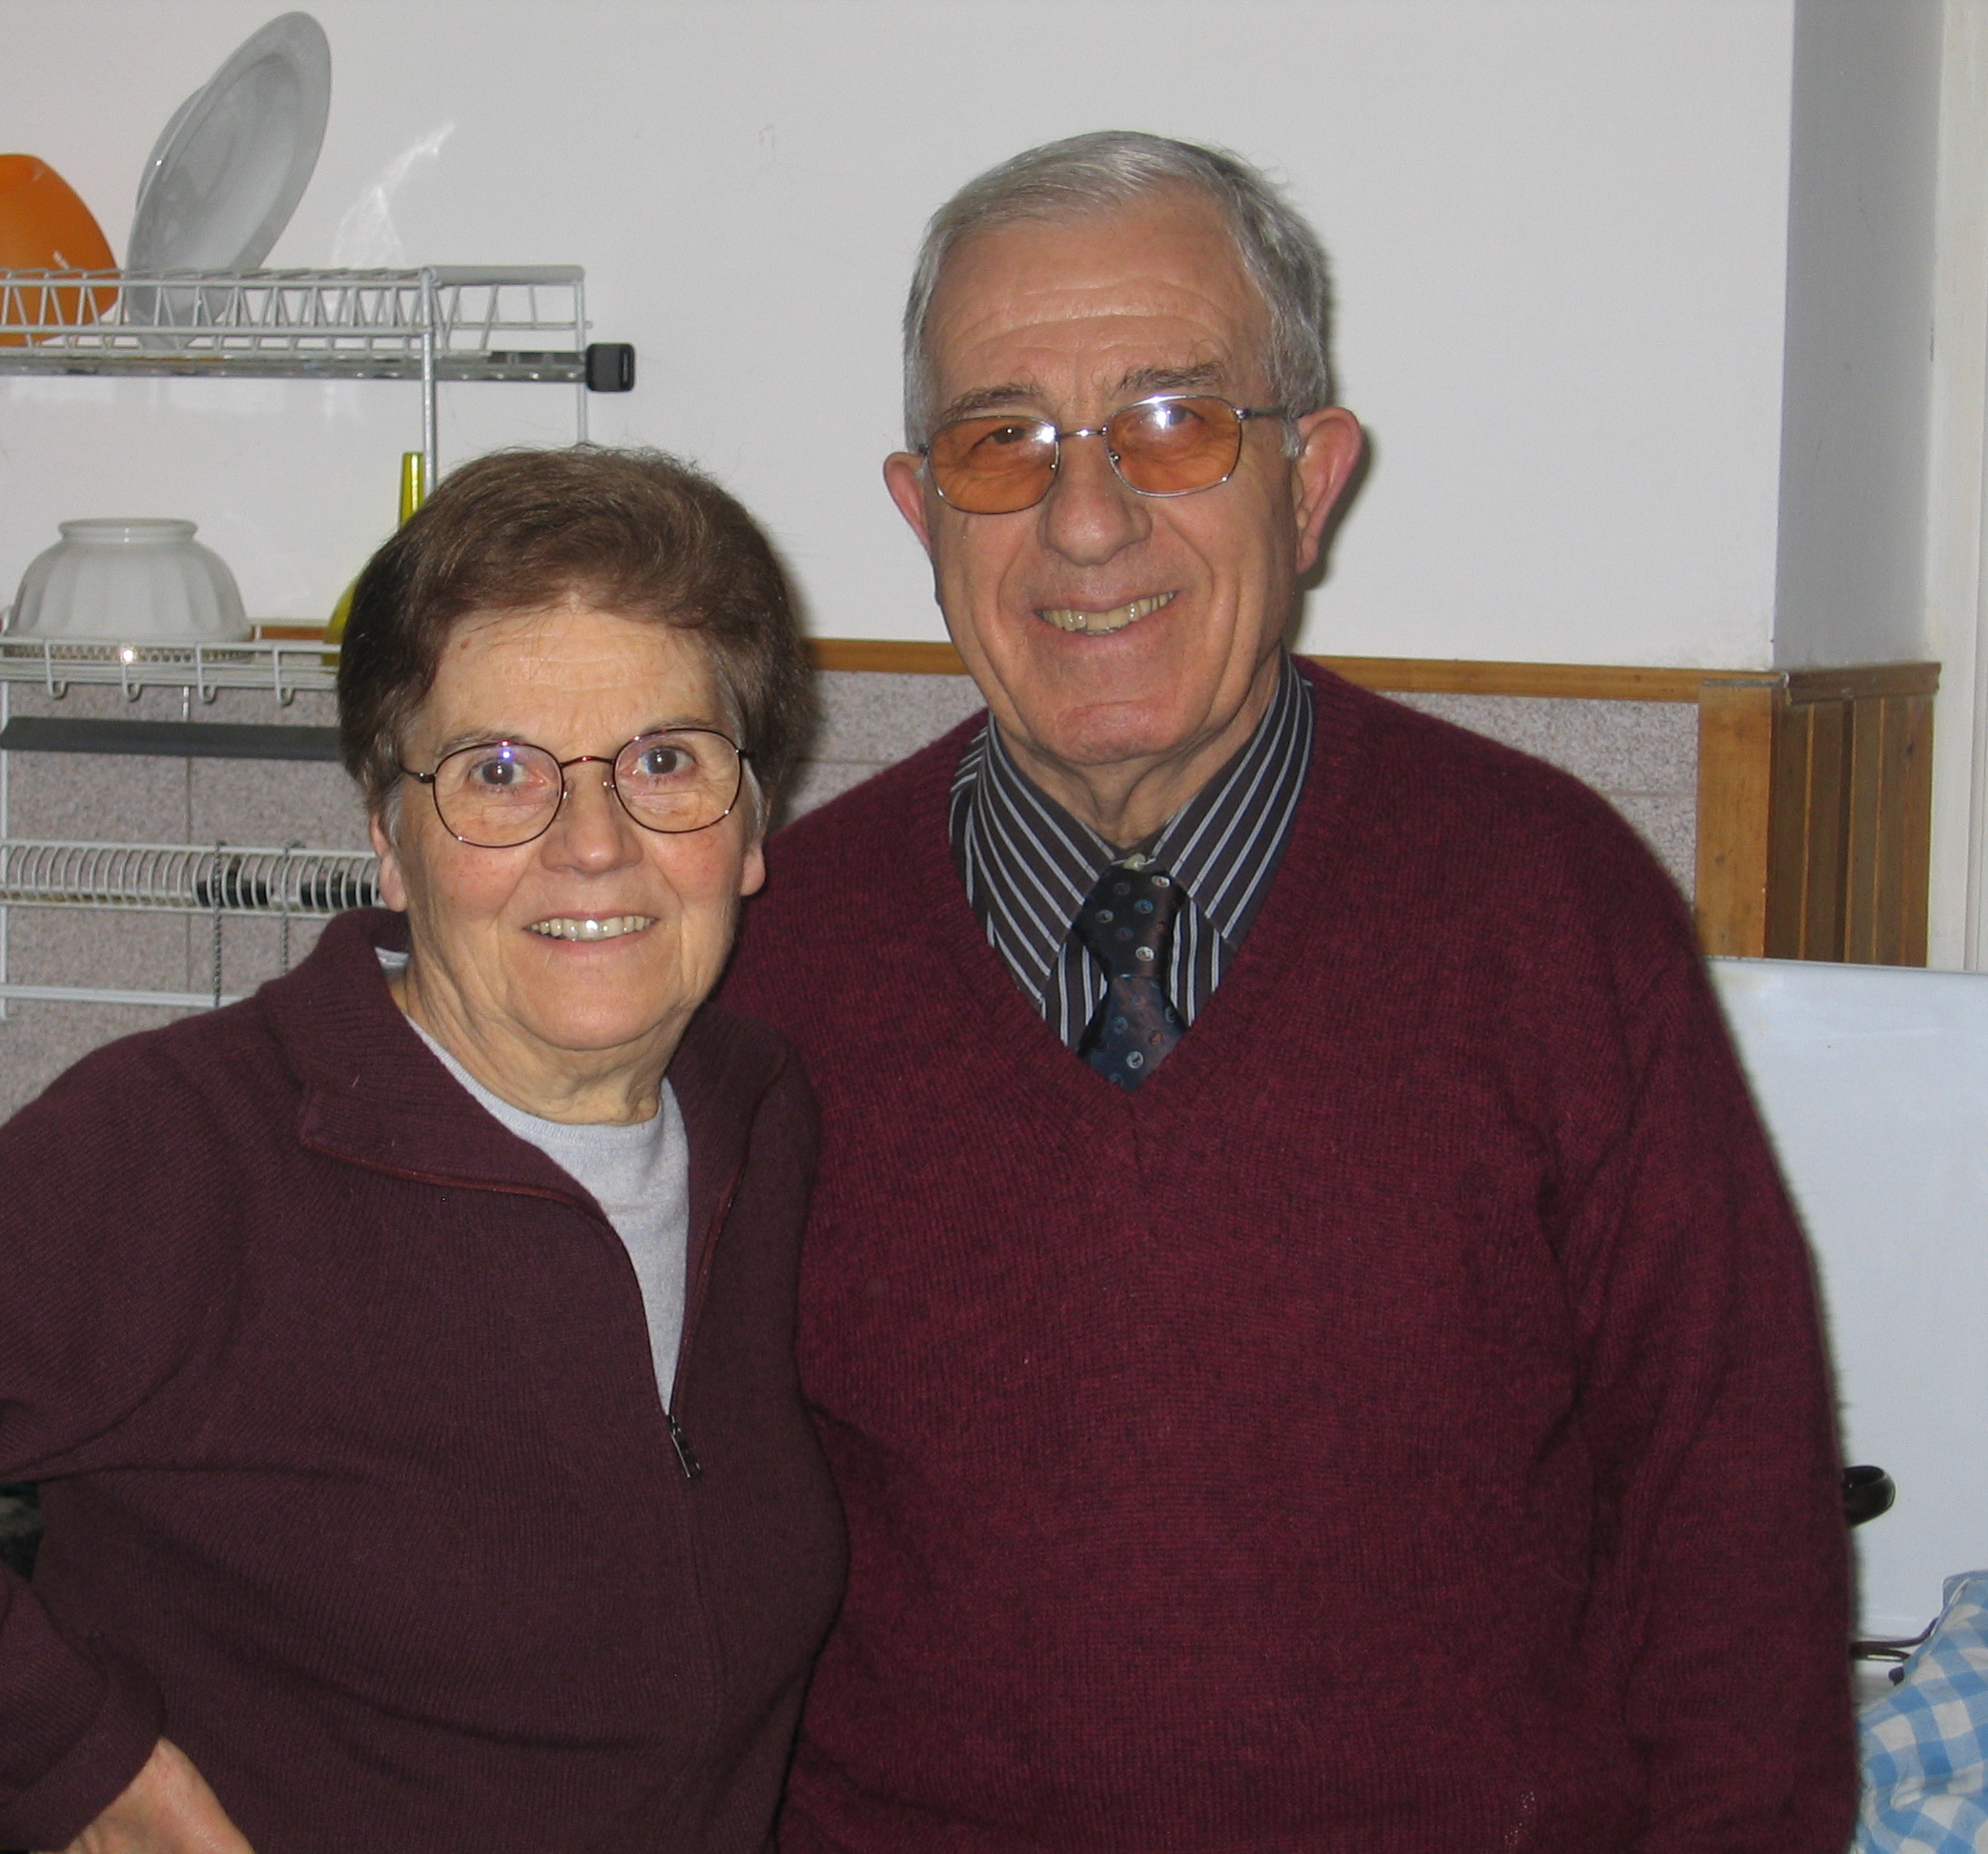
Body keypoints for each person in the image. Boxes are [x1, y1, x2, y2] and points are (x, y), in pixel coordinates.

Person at [724, 132, 1855, 1850]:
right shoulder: (771, 960)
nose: (1087, 522)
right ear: (920, 511)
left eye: (1174, 423)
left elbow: (1733, 1521)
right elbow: (654, 1541)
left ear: (1310, 483)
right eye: (1002, 442)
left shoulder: (1550, 910)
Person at [0, 446, 845, 1854]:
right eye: (497, 770)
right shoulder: (195, 1153)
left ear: (750, 823)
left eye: (665, 760)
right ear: (391, 840)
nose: (592, 842)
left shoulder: (757, 1123)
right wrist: (84, 1770)